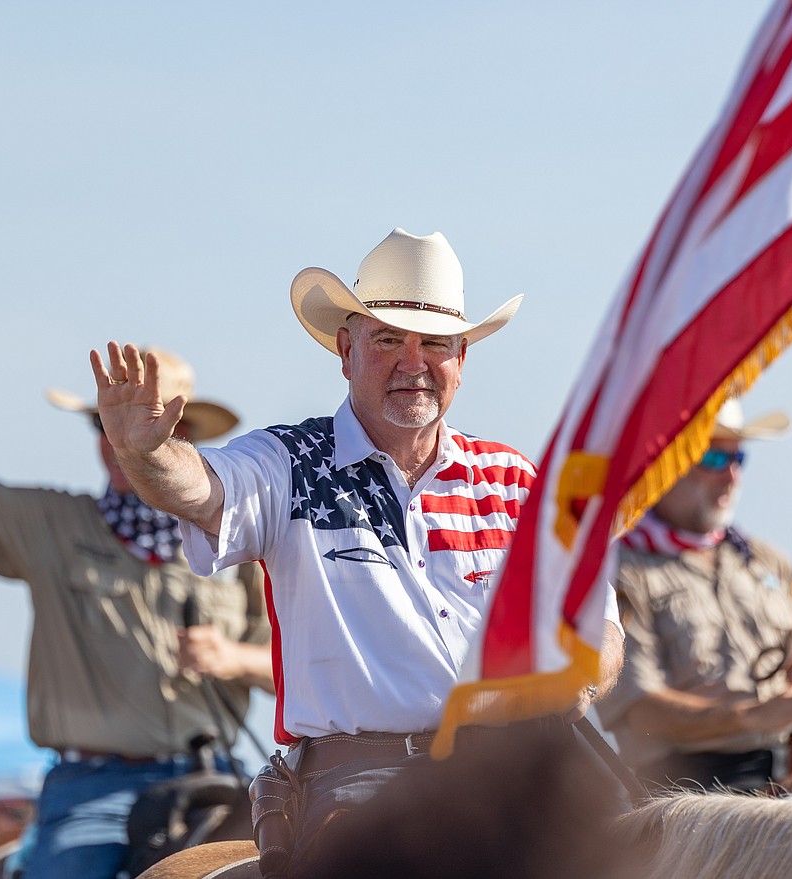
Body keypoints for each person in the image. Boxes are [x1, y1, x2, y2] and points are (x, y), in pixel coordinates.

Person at [89, 227, 625, 873]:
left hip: (512, 773)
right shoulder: (288, 461)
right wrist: (147, 452)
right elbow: (199, 488)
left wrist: (577, 686)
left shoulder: (514, 480)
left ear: (462, 358)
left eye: (435, 344)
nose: (413, 362)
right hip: (367, 779)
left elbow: (597, 626)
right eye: (389, 340)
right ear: (347, 349)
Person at [0, 286, 274, 879]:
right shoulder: (55, 524)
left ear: (180, 435)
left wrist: (232, 657)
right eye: (107, 423)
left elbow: (284, 665)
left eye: (142, 422)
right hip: (95, 791)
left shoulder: (235, 537)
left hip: (219, 778)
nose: (119, 439)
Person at [596, 398, 792, 795]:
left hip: (789, 778)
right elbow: (639, 712)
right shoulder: (620, 572)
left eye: (737, 457)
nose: (731, 474)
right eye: (712, 458)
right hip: (687, 790)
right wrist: (755, 716)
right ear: (666, 465)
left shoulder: (769, 563)